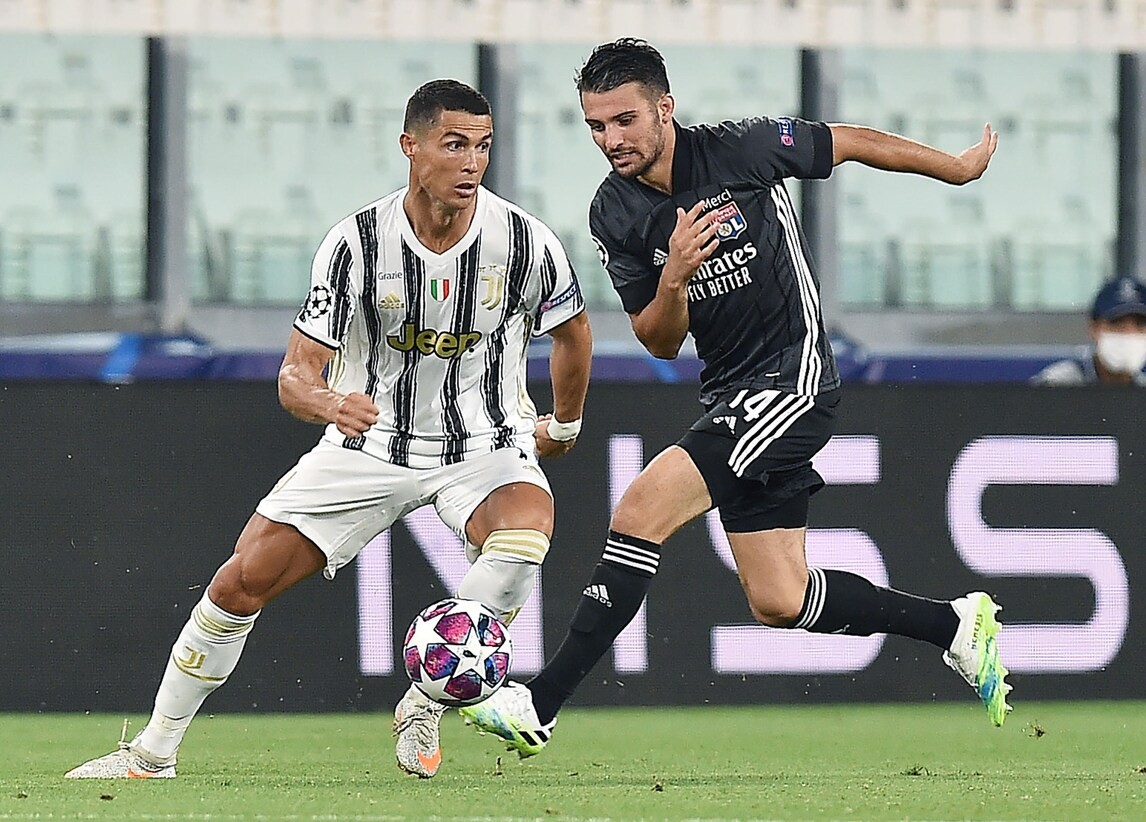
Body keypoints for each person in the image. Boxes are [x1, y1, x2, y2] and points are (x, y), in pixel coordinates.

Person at [460, 38, 1011, 758]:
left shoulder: (741, 150)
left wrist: (958, 168)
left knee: (640, 509)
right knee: (779, 598)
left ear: (665, 108)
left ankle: (540, 701)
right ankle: (954, 627)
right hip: (730, 391)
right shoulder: (614, 212)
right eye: (595, 126)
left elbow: (849, 142)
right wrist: (676, 275)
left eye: (624, 120)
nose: (611, 140)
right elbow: (658, 339)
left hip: (794, 378)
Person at [64, 79, 593, 780]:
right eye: (454, 144)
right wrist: (328, 404)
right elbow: (294, 375)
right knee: (238, 585)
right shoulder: (356, 244)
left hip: (484, 446)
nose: (471, 163)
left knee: (524, 539)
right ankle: (152, 755)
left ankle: (425, 702)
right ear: (411, 146)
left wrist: (566, 422)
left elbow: (574, 335)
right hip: (368, 445)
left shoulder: (523, 240)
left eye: (483, 146)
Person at [1031, 276, 1146, 386]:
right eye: (1117, 323)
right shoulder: (1057, 384)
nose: (1129, 333)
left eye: (1140, 325)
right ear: (1094, 328)